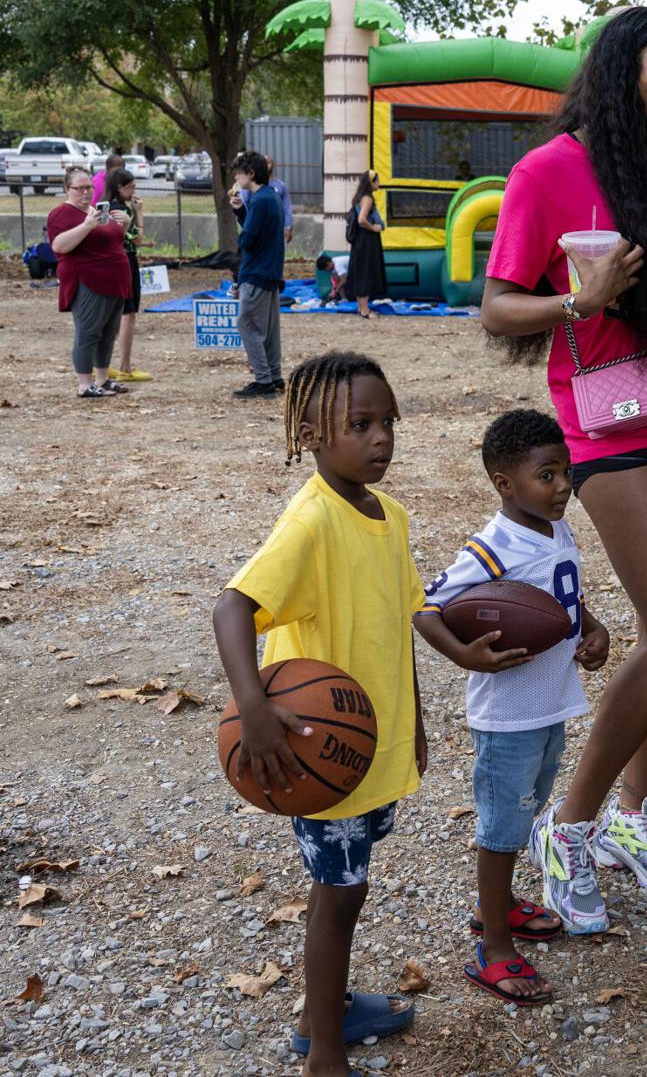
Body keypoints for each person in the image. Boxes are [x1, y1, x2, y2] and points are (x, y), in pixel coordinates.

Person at [481, 6, 647, 933]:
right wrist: (576, 303)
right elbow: (498, 309)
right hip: (608, 415)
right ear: (624, 66)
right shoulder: (549, 171)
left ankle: (633, 813)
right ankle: (568, 825)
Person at [211, 351, 421, 1077]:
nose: (380, 438)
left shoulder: (388, 514)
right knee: (338, 893)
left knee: (352, 884)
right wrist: (254, 706)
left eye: (388, 421)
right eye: (360, 424)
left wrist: (416, 724)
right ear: (309, 433)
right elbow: (233, 606)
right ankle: (322, 1050)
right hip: (321, 756)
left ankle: (321, 1009)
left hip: (374, 750)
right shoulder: (309, 522)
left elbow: (399, 624)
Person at [414, 409, 611, 1003]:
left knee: (527, 811)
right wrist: (464, 656)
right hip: (507, 715)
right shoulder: (492, 547)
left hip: (550, 702)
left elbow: (560, 600)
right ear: (504, 482)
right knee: (502, 829)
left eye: (566, 473)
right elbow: (426, 608)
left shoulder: (559, 529)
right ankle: (493, 947)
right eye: (546, 476)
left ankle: (494, 907)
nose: (562, 487)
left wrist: (591, 627)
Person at [47, 166, 132, 398]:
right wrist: (86, 225)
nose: (85, 192)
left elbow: (111, 241)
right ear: (67, 189)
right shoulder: (61, 214)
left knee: (107, 333)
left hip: (114, 282)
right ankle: (85, 384)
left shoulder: (96, 210)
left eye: (89, 187)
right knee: (88, 332)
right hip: (88, 282)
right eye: (79, 188)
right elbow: (59, 246)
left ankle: (102, 379)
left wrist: (123, 224)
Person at [228, 150, 285, 397]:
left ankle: (263, 380)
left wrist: (241, 235)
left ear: (250, 174)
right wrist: (241, 211)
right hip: (270, 271)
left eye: (239, 174)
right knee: (269, 328)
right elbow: (257, 227)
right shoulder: (269, 196)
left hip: (256, 271)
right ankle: (274, 375)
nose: (237, 179)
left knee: (247, 323)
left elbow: (249, 238)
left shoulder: (260, 200)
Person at [104, 169, 152, 383]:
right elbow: (138, 239)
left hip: (112, 263)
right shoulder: (122, 211)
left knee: (115, 314)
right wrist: (139, 213)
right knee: (127, 314)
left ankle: (104, 363)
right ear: (119, 188)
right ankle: (124, 366)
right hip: (125, 262)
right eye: (130, 187)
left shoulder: (107, 208)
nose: (134, 191)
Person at [343, 170, 387, 319]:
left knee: (360, 270)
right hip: (367, 240)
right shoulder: (367, 199)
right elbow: (361, 220)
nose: (379, 184)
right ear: (371, 182)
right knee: (365, 272)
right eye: (377, 181)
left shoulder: (359, 197)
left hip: (360, 241)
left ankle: (360, 307)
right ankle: (364, 310)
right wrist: (374, 227)